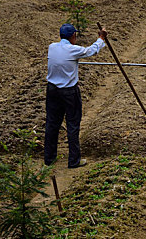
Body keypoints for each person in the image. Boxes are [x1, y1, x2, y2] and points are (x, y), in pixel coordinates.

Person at [44, 23, 107, 168]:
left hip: (52, 90)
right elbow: (92, 51)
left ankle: (49, 158)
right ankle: (74, 160)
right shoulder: (74, 50)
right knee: (73, 124)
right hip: (69, 92)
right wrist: (101, 38)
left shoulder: (52, 47)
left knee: (52, 124)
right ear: (73, 36)